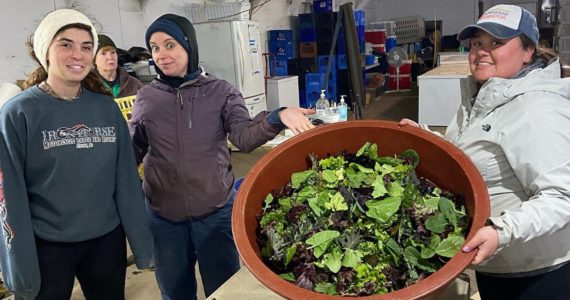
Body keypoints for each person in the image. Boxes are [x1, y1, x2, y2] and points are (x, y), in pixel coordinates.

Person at [129, 13, 315, 300]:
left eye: (170, 45)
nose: (161, 55)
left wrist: (277, 117)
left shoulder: (221, 92)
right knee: (174, 291)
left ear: (189, 46)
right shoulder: (146, 98)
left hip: (214, 212)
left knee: (223, 289)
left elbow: (243, 136)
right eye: (154, 48)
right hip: (163, 217)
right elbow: (133, 151)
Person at [400, 4, 570, 299]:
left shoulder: (536, 109)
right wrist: (426, 137)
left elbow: (562, 196)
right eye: (477, 43)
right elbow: (468, 155)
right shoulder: (483, 96)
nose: (482, 51)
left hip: (537, 275)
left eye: (497, 43)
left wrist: (499, 231)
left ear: (528, 51)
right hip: (495, 264)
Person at [0, 9, 152, 300]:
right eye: (65, 44)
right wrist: (17, 265)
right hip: (48, 245)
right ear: (46, 51)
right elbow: (9, 195)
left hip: (106, 241)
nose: (77, 55)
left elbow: (126, 182)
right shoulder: (19, 113)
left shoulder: (106, 109)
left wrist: (142, 245)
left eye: (86, 47)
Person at [94, 34, 144, 98]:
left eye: (113, 52)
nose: (110, 57)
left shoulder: (134, 85)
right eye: (103, 53)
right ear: (94, 60)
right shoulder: (87, 87)